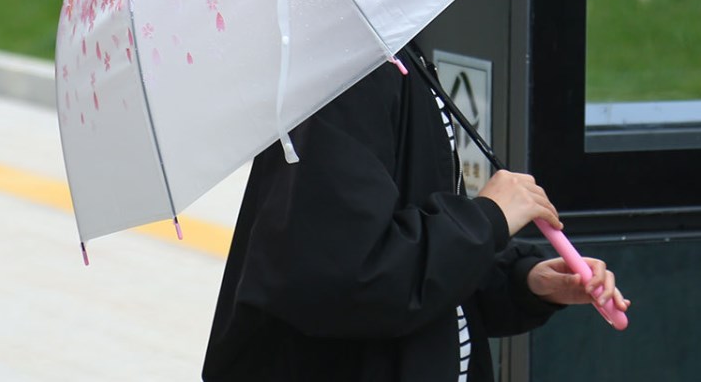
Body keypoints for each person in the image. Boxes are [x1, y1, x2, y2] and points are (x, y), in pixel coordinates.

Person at [202, 45, 629, 382]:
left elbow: (413, 251)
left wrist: (523, 282)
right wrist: (486, 219)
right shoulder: (350, 79)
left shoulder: (397, 56)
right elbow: (355, 277)